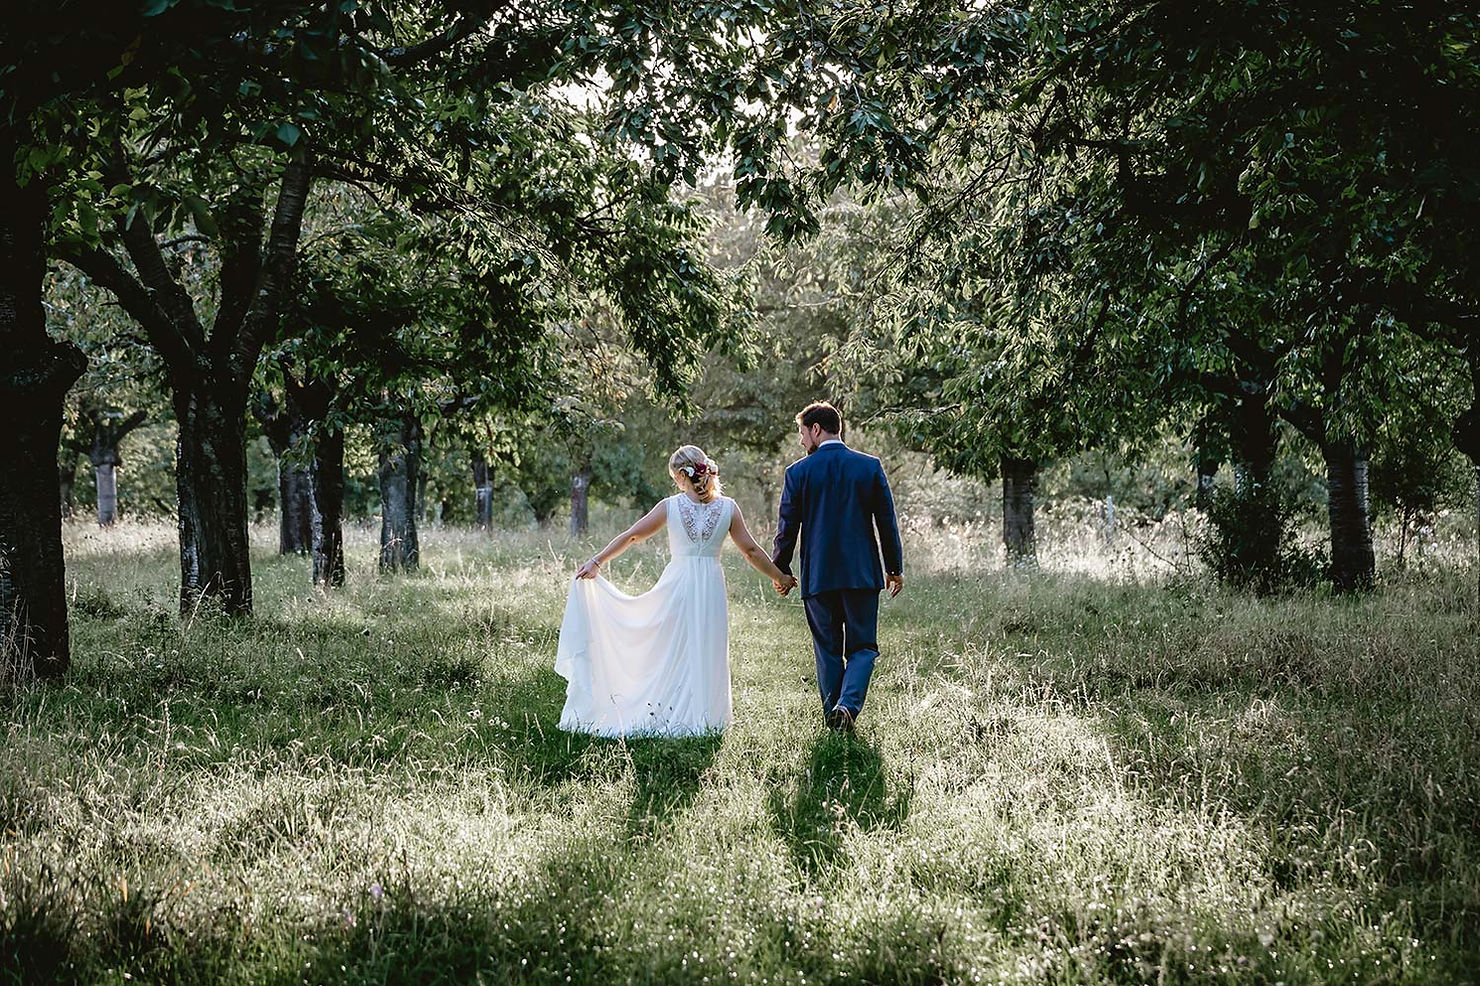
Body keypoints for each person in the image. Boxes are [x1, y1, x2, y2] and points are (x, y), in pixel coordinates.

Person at [554, 445, 796, 736]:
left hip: (679, 582)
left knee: (671, 647)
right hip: (710, 585)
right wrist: (780, 576)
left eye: (675, 478)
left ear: (682, 475)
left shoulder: (670, 506)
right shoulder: (729, 508)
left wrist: (597, 561)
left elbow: (633, 536)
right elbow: (751, 551)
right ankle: (705, 717)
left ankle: (670, 711)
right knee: (706, 646)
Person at [772, 401, 903, 733]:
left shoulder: (798, 472)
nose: (801, 440)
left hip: (819, 577)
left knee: (828, 650)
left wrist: (781, 571)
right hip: (862, 575)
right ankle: (847, 707)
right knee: (863, 647)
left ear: (816, 429)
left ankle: (835, 718)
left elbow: (787, 529)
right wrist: (894, 567)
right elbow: (886, 522)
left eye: (802, 432)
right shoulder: (869, 466)